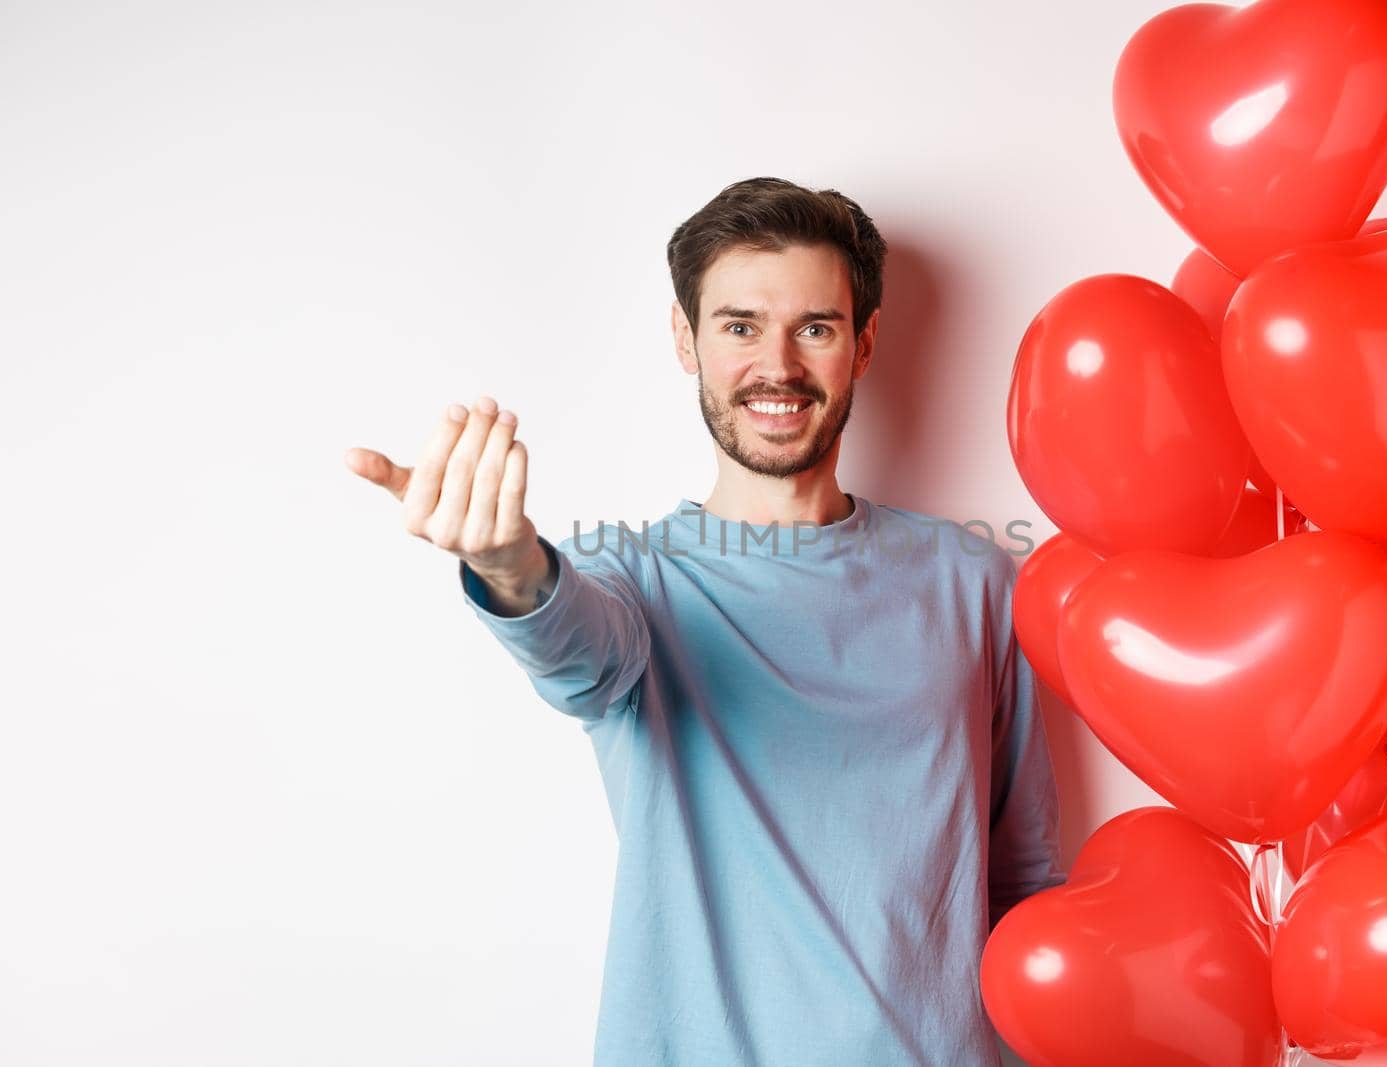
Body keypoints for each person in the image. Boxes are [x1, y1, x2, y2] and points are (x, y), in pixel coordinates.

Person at [346, 176, 1066, 1066]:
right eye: (739, 326)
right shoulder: (636, 581)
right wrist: (506, 565)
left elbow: (1028, 880)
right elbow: (576, 646)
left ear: (865, 343)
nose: (779, 366)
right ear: (686, 340)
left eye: (815, 327)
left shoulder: (977, 581)